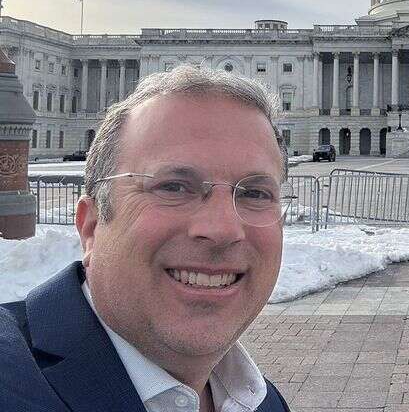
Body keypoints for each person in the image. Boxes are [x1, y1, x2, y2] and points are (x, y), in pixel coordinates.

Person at [0, 65, 291, 412]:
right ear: (91, 226)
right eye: (173, 186)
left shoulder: (262, 401)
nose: (223, 229)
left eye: (255, 193)